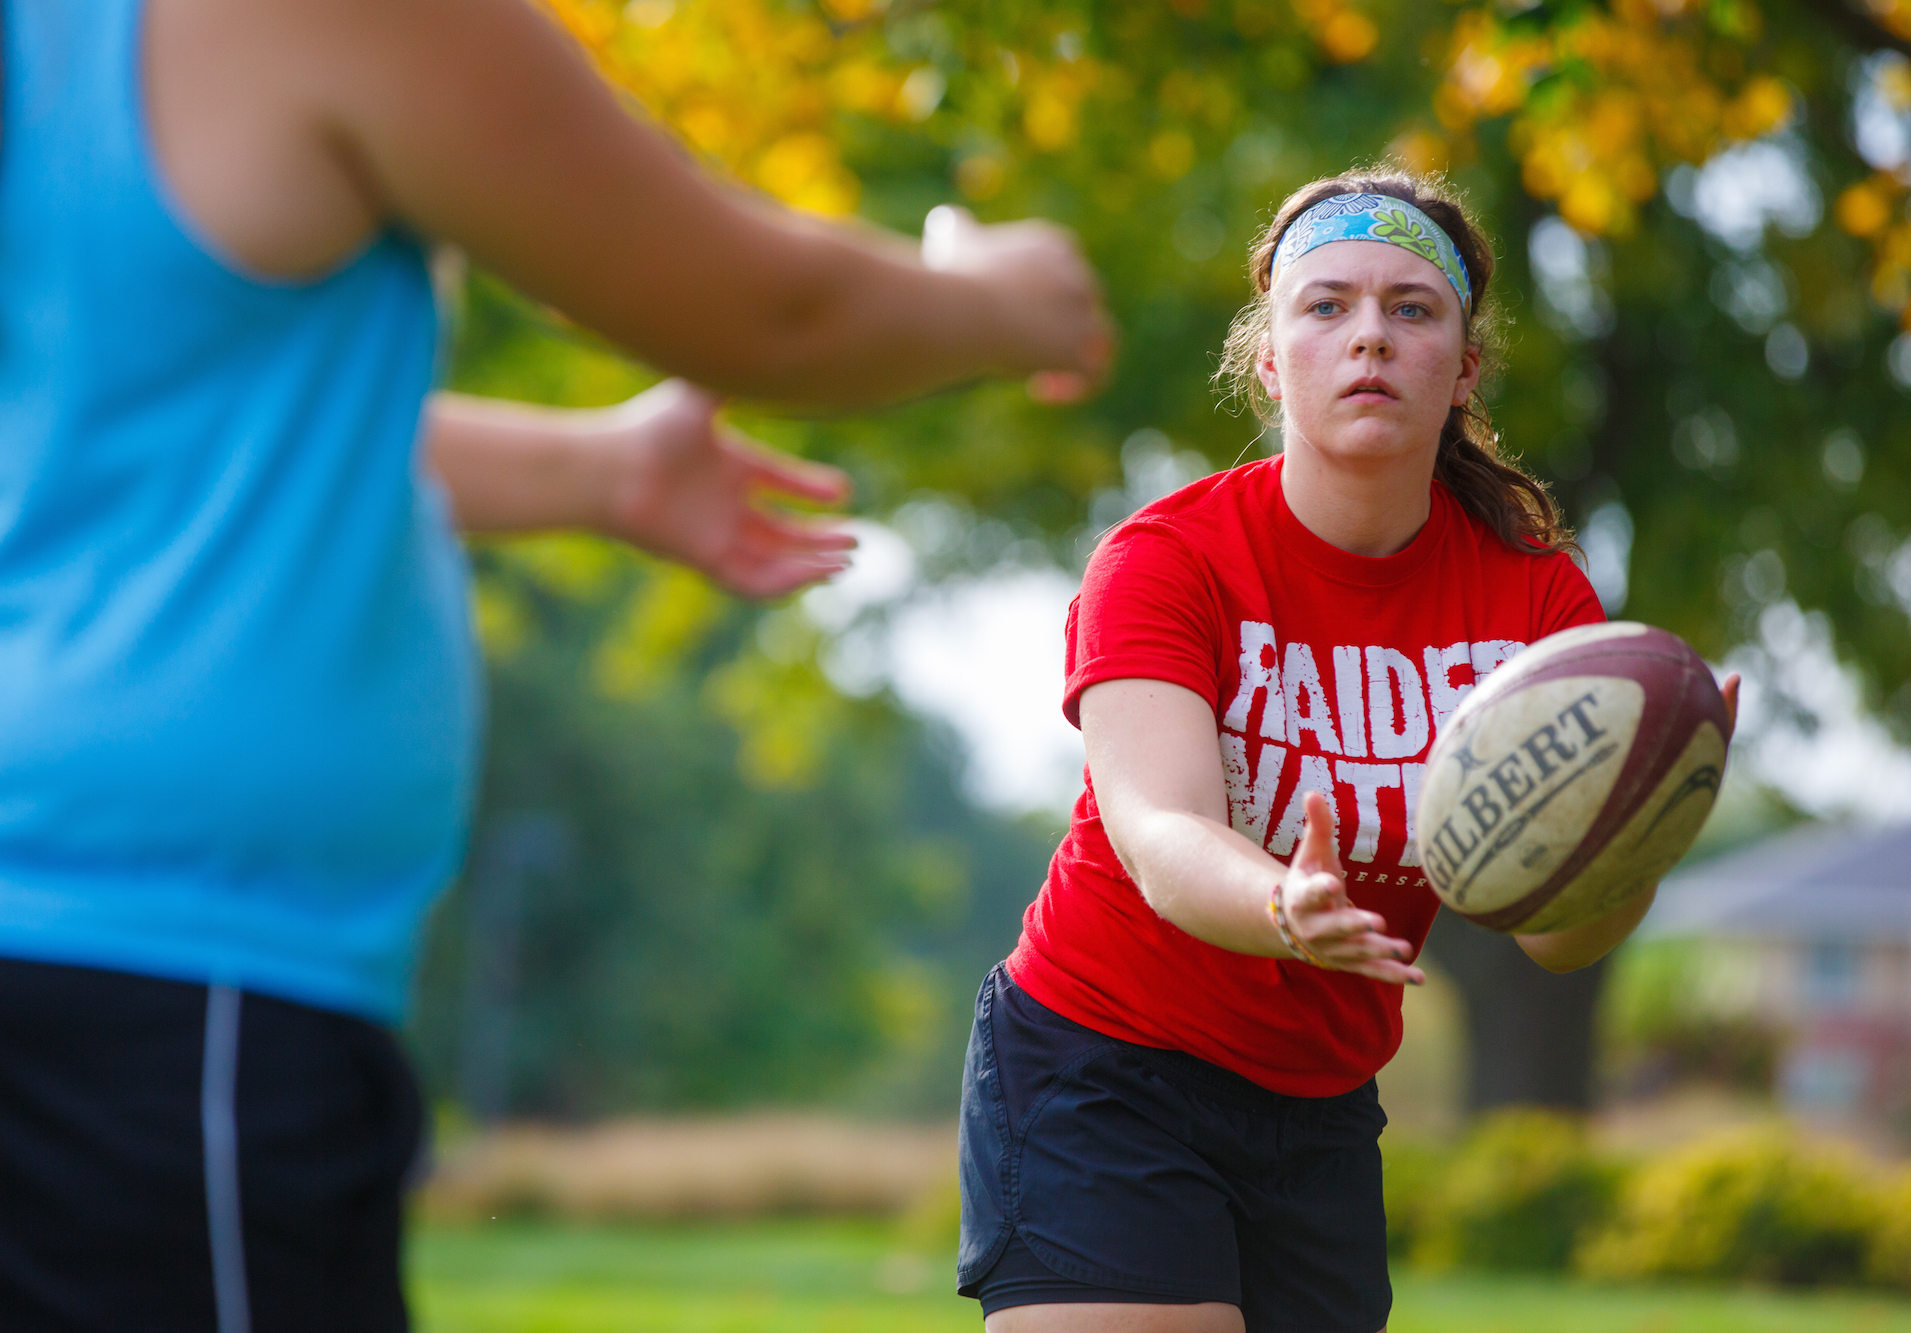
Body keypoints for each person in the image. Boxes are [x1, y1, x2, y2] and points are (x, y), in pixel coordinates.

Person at [0, 0, 1109, 1329]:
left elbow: (156, 420)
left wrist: (596, 470)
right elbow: (772, 308)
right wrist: (1005, 299)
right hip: (154, 993)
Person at [955, 169, 1739, 1333]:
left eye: (1409, 309)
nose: (1367, 333)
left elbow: (1553, 931)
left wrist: (1637, 833)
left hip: (1318, 1102)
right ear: (1269, 358)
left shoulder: (1536, 600)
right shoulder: (1167, 559)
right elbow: (1160, 833)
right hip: (1102, 1062)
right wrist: (1284, 904)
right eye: (1324, 306)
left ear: (1464, 367)